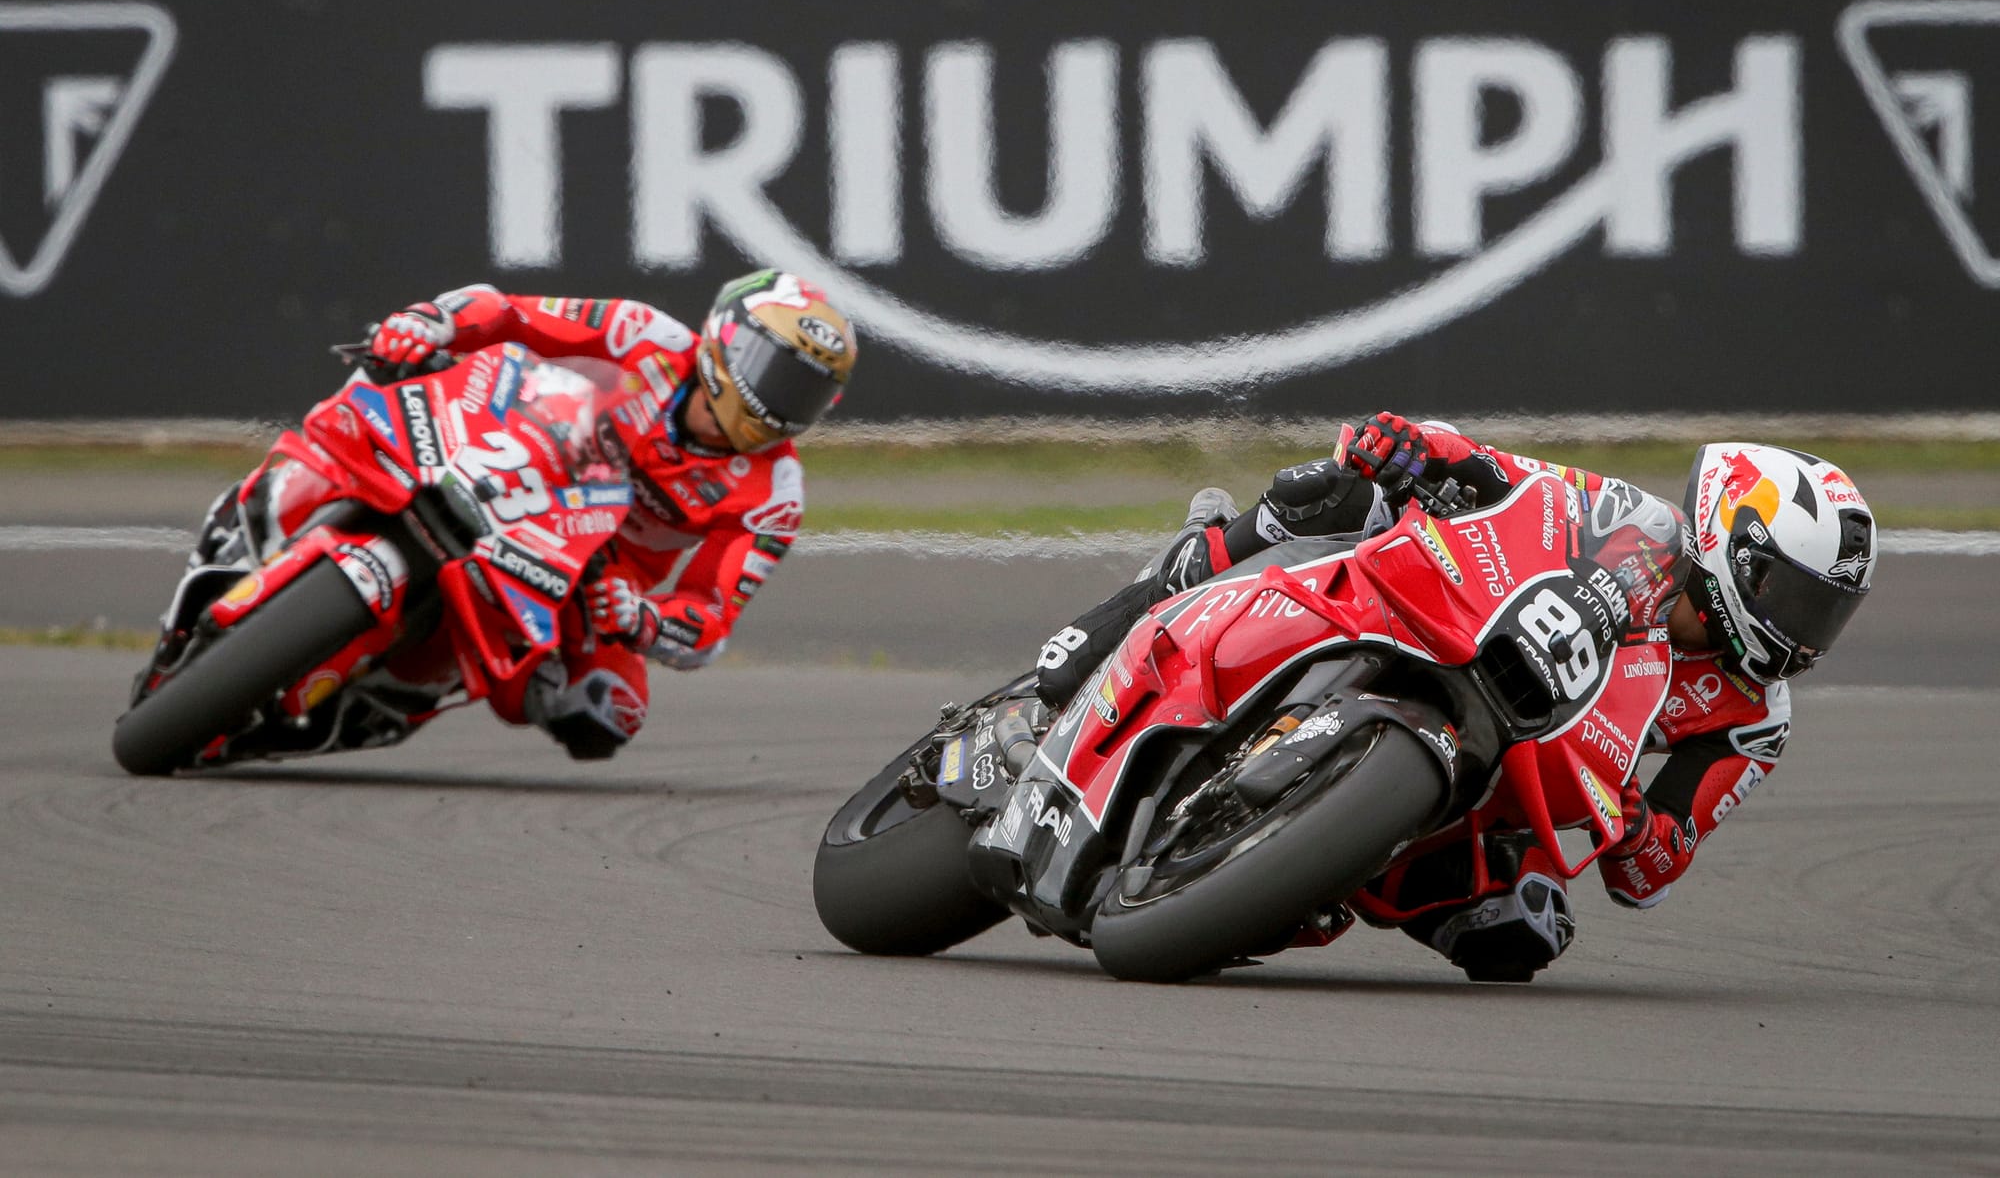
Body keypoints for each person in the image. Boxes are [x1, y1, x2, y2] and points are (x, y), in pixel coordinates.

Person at [1035, 412, 1877, 979]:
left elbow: (1651, 873)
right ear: (1731, 540)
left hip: (1524, 774)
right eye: (1795, 597)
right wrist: (1415, 448)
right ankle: (1153, 593)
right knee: (1329, 493)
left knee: (1523, 932)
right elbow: (1500, 473)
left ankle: (1264, 874)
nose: (1804, 633)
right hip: (1447, 621)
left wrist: (1627, 816)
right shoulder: (1635, 520)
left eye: (1827, 614)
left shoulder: (1754, 720)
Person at [362, 269, 857, 759]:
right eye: (773, 369)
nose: (778, 400)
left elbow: (711, 616)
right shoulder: (645, 334)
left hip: (591, 572)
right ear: (726, 338)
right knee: (386, 387)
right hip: (507, 456)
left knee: (611, 708)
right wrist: (433, 321)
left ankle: (448, 678)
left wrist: (644, 620)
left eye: (802, 390)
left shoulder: (776, 493)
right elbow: (511, 312)